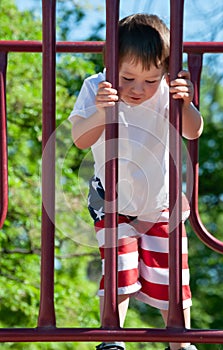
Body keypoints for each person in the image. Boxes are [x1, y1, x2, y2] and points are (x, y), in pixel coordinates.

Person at [68, 13, 203, 350]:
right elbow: (81, 140)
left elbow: (193, 130)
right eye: (127, 77)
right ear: (110, 65)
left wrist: (185, 103)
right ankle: (112, 336)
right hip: (112, 201)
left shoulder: (168, 93)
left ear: (166, 72)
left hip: (160, 202)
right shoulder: (95, 87)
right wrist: (101, 112)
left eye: (150, 80)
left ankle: (179, 340)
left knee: (172, 274)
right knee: (119, 269)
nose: (138, 89)